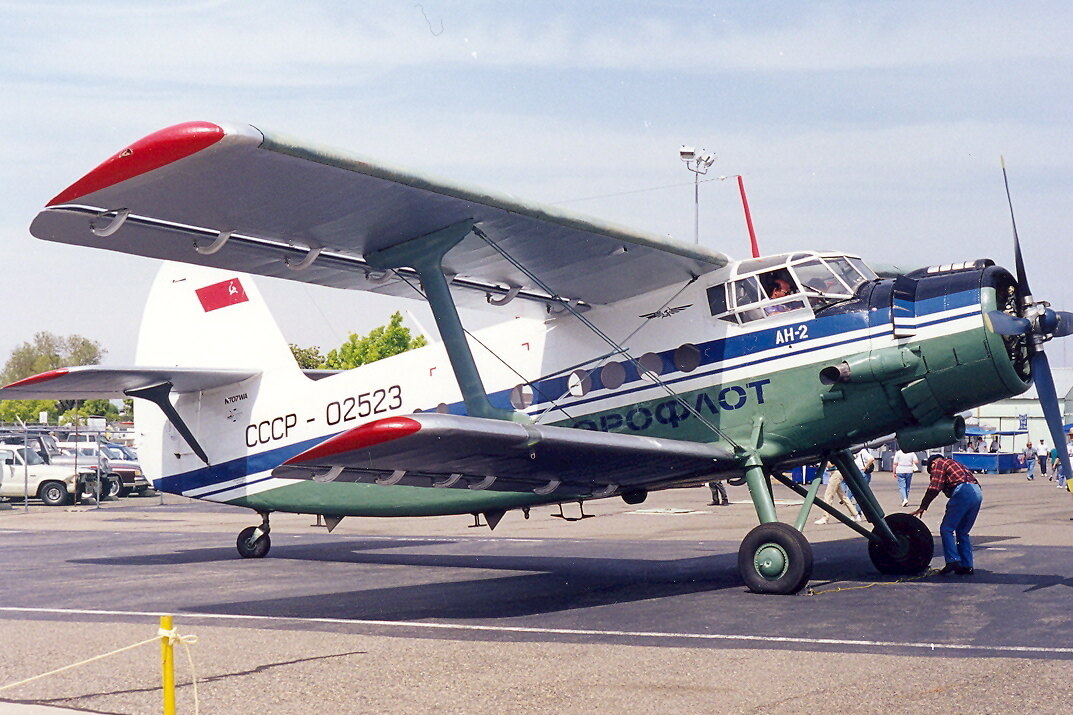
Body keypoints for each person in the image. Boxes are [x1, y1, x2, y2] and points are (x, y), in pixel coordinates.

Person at [911, 455, 982, 575]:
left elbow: (935, 487)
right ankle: (967, 565)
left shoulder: (939, 464)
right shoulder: (957, 464)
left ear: (932, 463)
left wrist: (923, 506)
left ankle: (952, 560)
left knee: (946, 529)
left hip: (963, 491)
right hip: (977, 492)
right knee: (963, 532)